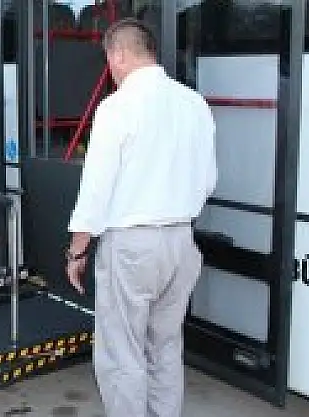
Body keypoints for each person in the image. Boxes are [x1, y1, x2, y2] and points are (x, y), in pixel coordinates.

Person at [65, 19, 216, 417]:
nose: (110, 70)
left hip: (133, 246)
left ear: (118, 55)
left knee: (122, 352)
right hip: (181, 242)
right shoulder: (194, 103)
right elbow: (208, 181)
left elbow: (96, 189)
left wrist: (77, 250)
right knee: (165, 346)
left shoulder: (117, 107)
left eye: (109, 61)